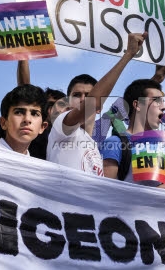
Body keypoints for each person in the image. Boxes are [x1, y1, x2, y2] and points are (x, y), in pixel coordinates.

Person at [46, 33, 145, 175]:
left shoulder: (95, 148)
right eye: (76, 95)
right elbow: (92, 103)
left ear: (100, 109)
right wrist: (128, 55)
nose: (83, 99)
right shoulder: (61, 127)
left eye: (88, 95)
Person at [101, 77, 165, 190]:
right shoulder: (114, 144)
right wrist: (154, 194)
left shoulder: (163, 150)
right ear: (137, 105)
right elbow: (104, 196)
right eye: (157, 100)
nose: (164, 107)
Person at [0, 84, 48, 155]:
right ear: (3, 123)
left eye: (35, 114)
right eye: (19, 112)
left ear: (42, 127)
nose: (27, 119)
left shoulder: (36, 165)